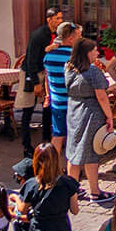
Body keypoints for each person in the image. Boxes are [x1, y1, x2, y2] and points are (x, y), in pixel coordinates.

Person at [64, 39, 116, 203]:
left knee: (74, 152)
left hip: (73, 112)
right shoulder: (92, 71)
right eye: (94, 50)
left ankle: (72, 191)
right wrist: (109, 116)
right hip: (90, 113)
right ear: (87, 53)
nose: (97, 53)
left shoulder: (68, 69)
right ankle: (95, 191)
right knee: (91, 153)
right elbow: (101, 97)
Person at [21, 8, 64, 158]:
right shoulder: (38, 35)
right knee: (28, 110)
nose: (60, 21)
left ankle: (46, 142)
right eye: (57, 18)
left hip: (46, 73)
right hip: (32, 73)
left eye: (61, 18)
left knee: (47, 108)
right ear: (49, 19)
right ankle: (26, 147)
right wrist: (35, 82)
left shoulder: (57, 36)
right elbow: (31, 59)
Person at [43, 23, 80, 155]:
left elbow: (47, 78)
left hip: (57, 102)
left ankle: (53, 168)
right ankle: (73, 168)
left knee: (58, 135)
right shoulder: (75, 56)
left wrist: (48, 95)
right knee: (74, 136)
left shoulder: (48, 56)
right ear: (70, 38)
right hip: (73, 102)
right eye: (77, 36)